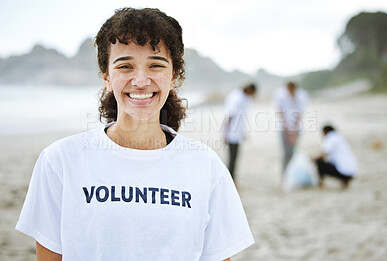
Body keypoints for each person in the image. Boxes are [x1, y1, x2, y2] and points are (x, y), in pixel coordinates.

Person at [16, 8, 254, 260]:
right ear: (107, 76)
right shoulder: (59, 161)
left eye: (155, 65)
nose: (140, 80)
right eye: (125, 66)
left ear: (174, 75)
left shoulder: (207, 167)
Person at [273, 81, 308, 183]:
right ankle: (284, 176)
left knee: (292, 152)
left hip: (296, 129)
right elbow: (281, 113)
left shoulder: (301, 97)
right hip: (283, 129)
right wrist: (287, 131)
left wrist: (293, 131)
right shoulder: (281, 96)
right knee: (286, 153)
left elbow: (299, 115)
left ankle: (291, 175)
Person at [223, 83, 256, 181]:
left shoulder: (244, 98)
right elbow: (230, 116)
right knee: (232, 158)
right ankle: (230, 180)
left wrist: (243, 133)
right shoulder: (237, 98)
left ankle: (232, 179)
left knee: (235, 157)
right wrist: (225, 133)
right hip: (232, 133)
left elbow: (242, 118)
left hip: (236, 133)